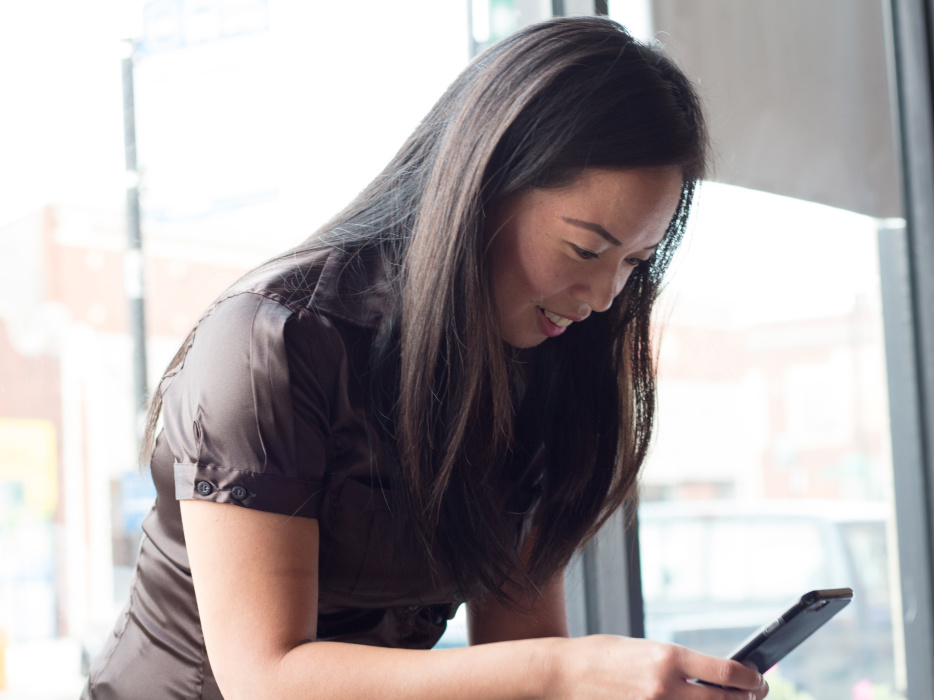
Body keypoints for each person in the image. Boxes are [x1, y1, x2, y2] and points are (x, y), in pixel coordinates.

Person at [83, 16, 769, 700]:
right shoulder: (274, 342)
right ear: (484, 187)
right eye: (586, 249)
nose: (602, 295)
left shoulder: (545, 370)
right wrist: (568, 671)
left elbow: (519, 655)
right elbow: (266, 679)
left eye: (634, 263)